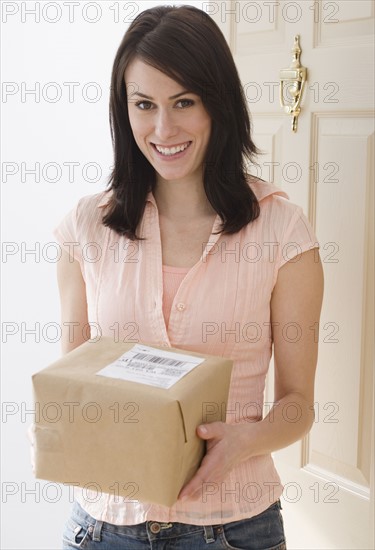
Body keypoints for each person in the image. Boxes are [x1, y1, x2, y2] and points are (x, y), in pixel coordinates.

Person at [53, 5, 323, 549]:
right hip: (104, 527)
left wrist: (244, 441)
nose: (163, 129)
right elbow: (75, 382)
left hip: (233, 527)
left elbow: (298, 405)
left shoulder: (282, 230)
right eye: (144, 105)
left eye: (184, 103)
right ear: (123, 110)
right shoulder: (86, 227)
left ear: (217, 104)